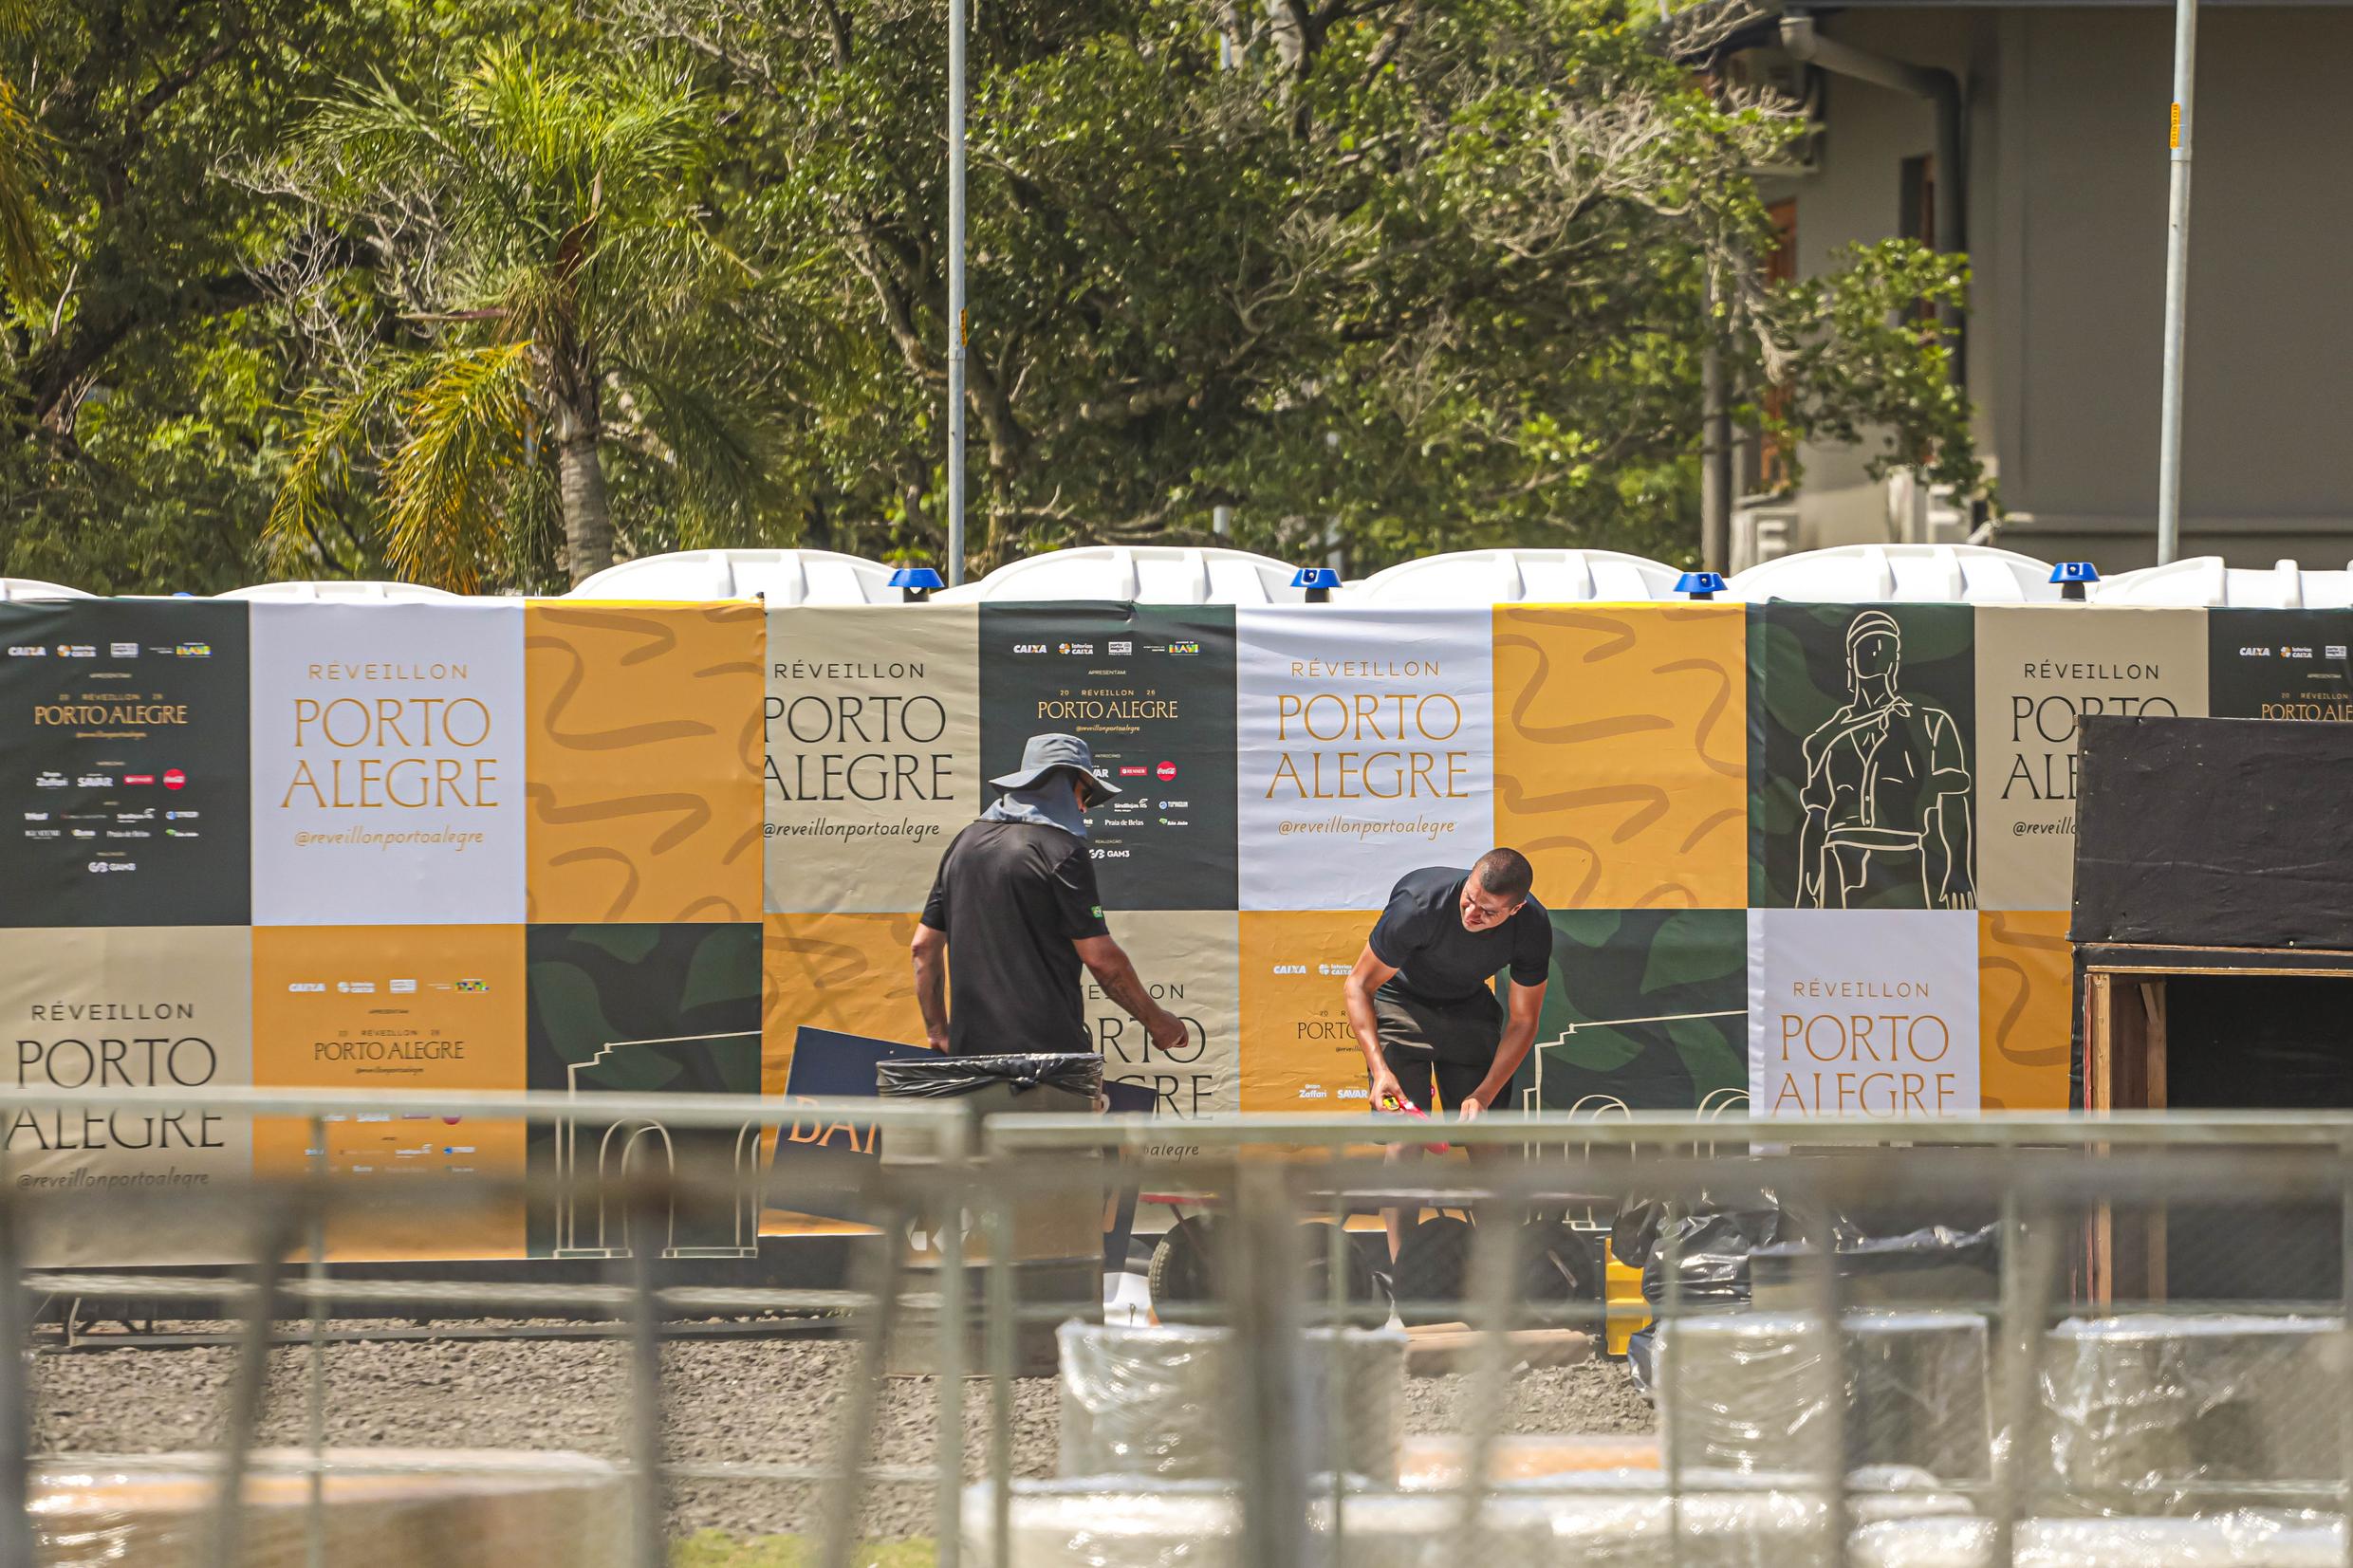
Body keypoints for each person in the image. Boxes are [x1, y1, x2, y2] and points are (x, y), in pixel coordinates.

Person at [911, 732, 1187, 1064]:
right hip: (1048, 1061)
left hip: (968, 1060)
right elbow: (1101, 960)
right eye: (1085, 794)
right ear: (1066, 783)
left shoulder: (963, 844)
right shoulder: (1063, 851)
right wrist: (1159, 1022)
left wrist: (938, 1031)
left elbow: (923, 948)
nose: (1083, 807)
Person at [1342, 848, 1551, 1261]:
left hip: (1467, 1004)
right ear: (1468, 879)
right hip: (1400, 999)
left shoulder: (1532, 927)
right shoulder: (1419, 905)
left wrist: (1484, 1095)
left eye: (1488, 912)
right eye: (1469, 899)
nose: (1472, 913)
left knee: (1485, 1138)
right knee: (1405, 1139)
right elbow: (1358, 985)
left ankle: (1499, 1271)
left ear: (1516, 909)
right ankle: (1405, 1274)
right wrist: (1380, 1070)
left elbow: (1524, 1020)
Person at [1796, 609, 1973, 910]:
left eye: (1886, 645)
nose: (1877, 651)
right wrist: (1805, 892)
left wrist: (1958, 872)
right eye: (1867, 644)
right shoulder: (1826, 738)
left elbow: (1952, 801)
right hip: (1840, 863)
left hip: (1905, 861)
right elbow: (1814, 816)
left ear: (1896, 658)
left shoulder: (1929, 723)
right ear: (1851, 660)